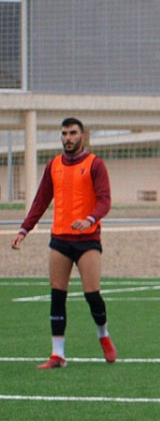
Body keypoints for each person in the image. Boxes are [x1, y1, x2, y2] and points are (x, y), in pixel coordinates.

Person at [11, 117, 117, 369]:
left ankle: (103, 334)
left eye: (72, 133)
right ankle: (57, 354)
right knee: (57, 296)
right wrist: (24, 229)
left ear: (82, 136)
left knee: (92, 295)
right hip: (59, 239)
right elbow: (40, 200)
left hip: (87, 240)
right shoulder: (54, 165)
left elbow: (105, 200)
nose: (68, 138)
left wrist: (90, 218)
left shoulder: (95, 164)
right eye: (64, 133)